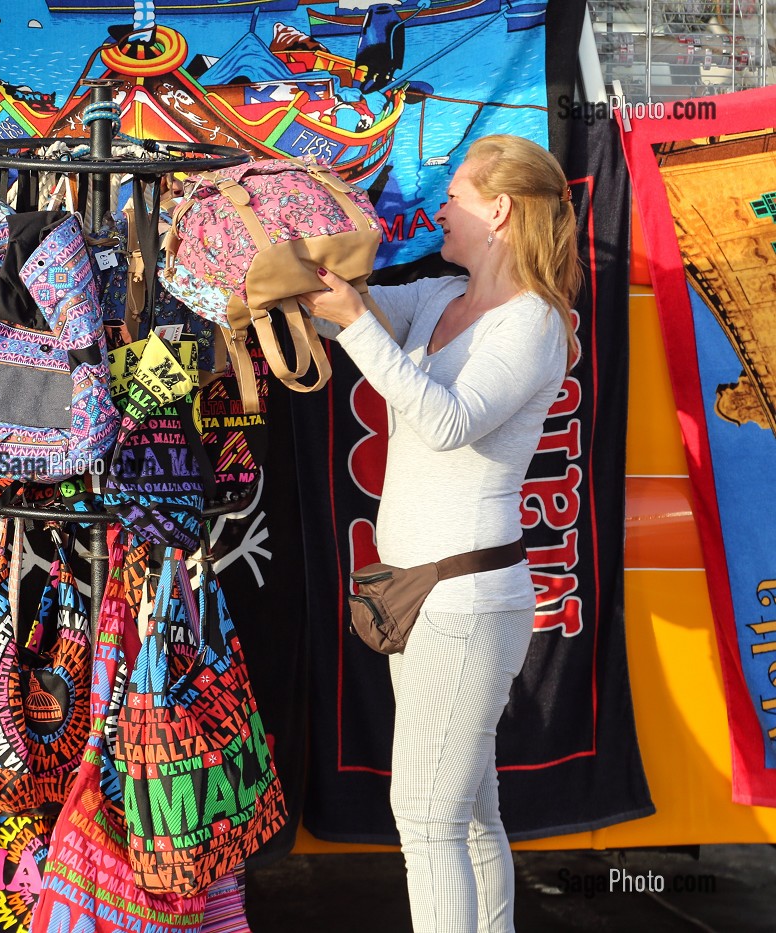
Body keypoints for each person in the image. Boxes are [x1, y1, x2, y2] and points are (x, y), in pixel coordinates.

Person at [305, 134, 580, 933]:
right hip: (417, 588)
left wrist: (360, 325)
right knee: (465, 814)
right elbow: (337, 320)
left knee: (426, 817)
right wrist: (296, 281)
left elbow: (449, 420)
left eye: (456, 195)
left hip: (465, 596)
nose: (441, 210)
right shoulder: (437, 296)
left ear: (498, 210)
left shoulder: (530, 323)